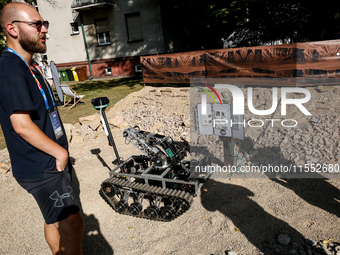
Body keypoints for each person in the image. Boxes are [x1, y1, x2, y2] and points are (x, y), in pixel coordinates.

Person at [0, 3, 84, 254]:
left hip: (48, 160)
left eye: (44, 23)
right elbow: (21, 125)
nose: (44, 29)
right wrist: (60, 153)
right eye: (37, 24)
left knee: (53, 219)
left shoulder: (31, 66)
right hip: (41, 165)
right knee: (73, 223)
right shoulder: (10, 68)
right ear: (12, 29)